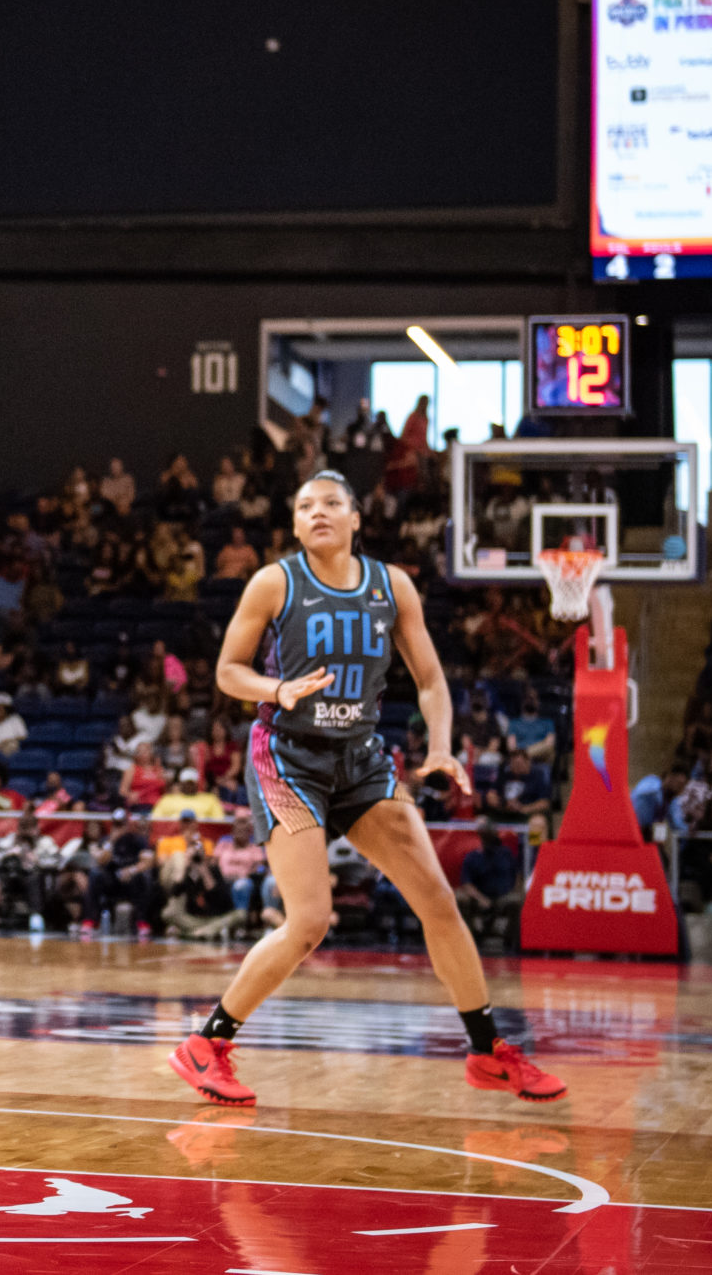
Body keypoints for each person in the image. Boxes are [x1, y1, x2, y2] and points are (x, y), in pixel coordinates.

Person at [167, 469, 563, 1110]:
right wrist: (277, 689)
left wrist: (439, 745)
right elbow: (227, 671)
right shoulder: (275, 582)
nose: (317, 512)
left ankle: (488, 1051)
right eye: (304, 505)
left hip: (361, 759)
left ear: (356, 518)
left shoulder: (391, 586)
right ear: (295, 525)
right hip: (287, 758)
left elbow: (431, 681)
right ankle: (206, 1044)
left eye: (330, 503)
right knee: (310, 922)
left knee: (438, 899)